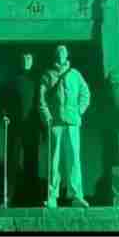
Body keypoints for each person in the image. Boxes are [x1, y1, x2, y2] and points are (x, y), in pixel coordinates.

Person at [39, 44, 91, 208]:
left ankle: (76, 195)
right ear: (55, 55)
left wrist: (79, 111)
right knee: (54, 160)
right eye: (58, 51)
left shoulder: (75, 74)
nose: (61, 53)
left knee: (74, 158)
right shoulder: (48, 75)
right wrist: (47, 116)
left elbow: (85, 93)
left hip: (72, 122)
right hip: (55, 122)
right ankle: (52, 196)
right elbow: (41, 99)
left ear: (67, 54)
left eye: (63, 51)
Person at [0, 52, 40, 206]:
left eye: (29, 58)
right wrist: (2, 115)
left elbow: (41, 105)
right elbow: (0, 101)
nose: (26, 61)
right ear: (19, 61)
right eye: (23, 58)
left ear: (32, 62)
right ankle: (7, 197)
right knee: (11, 162)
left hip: (31, 127)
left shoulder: (37, 83)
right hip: (14, 127)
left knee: (31, 163)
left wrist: (43, 128)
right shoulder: (10, 82)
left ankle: (32, 198)